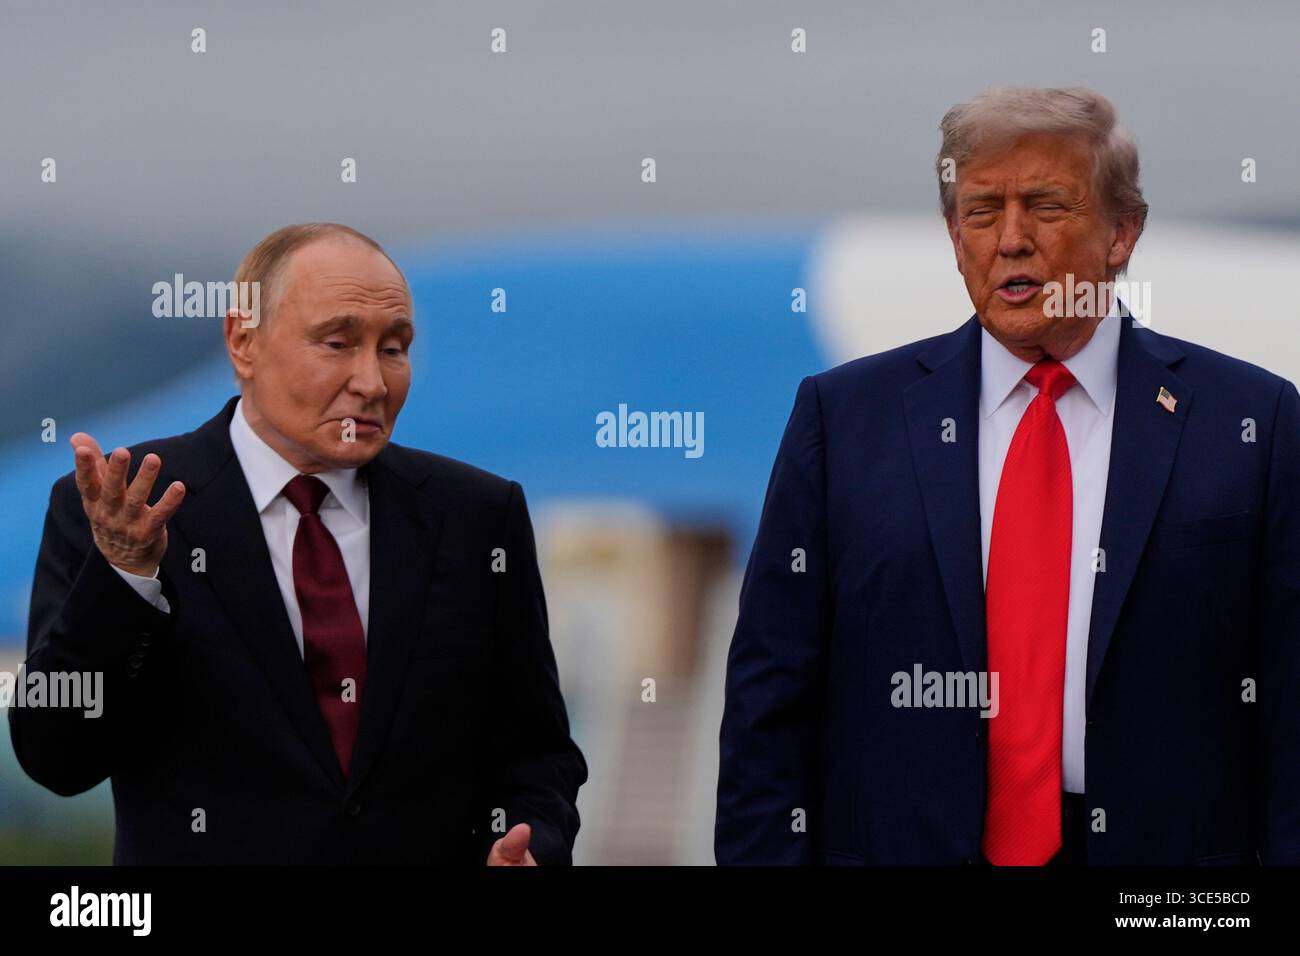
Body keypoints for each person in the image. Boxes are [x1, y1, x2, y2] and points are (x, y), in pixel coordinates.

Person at [716, 87, 1299, 865]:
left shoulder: (1251, 420)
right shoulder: (845, 419)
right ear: (955, 238)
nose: (1012, 240)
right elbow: (768, 704)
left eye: (1047, 207)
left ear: (1124, 230)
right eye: (983, 211)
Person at [12, 222, 587, 865]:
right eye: (338, 342)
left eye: (394, 349)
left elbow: (537, 753)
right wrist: (124, 575)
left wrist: (532, 842)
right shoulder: (123, 506)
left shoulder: (478, 516)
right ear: (243, 341)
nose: (372, 381)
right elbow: (56, 756)